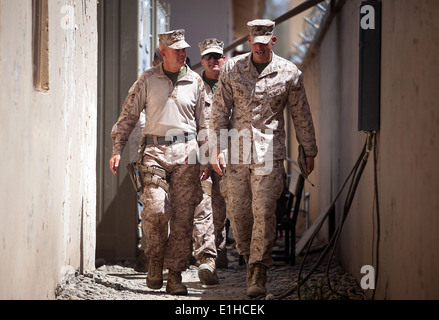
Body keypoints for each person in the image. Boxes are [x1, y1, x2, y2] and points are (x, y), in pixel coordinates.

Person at [209, 19, 318, 298]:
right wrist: (215, 148)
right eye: (255, 42)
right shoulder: (232, 69)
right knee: (239, 213)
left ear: (273, 41)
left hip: (269, 153)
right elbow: (219, 110)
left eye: (264, 42)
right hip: (236, 154)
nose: (259, 47)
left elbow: (301, 114)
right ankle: (248, 258)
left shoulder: (289, 73)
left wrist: (309, 149)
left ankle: (259, 269)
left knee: (265, 211)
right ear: (249, 42)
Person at [109, 29, 209, 296]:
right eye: (177, 50)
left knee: (183, 217)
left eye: (184, 50)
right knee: (155, 209)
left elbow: (206, 123)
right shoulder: (148, 79)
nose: (183, 54)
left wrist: (208, 156)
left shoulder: (196, 82)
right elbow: (128, 114)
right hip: (155, 152)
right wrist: (117, 147)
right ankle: (155, 259)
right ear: (163, 53)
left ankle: (175, 274)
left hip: (187, 155)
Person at [192, 38, 228, 285]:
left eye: (217, 57)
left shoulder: (233, 83)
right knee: (202, 207)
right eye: (208, 57)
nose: (213, 61)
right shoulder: (193, 85)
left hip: (230, 156)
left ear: (223, 59)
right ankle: (207, 258)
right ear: (202, 61)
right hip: (201, 156)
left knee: (221, 208)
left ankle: (219, 252)